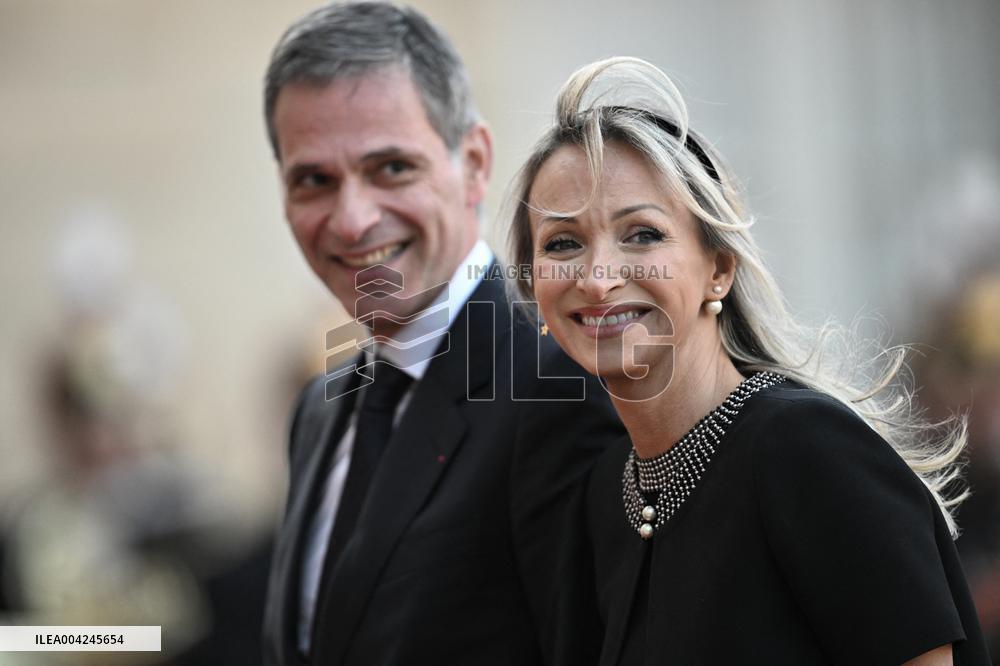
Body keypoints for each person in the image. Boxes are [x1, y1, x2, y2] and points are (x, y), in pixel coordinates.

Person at [506, 56, 991, 665]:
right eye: (563, 243)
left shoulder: (805, 448)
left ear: (719, 268)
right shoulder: (609, 495)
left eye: (642, 234)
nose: (598, 278)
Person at [260, 3, 623, 666]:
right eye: (314, 181)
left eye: (391, 168)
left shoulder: (562, 382)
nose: (352, 220)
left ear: (475, 164)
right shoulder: (319, 409)